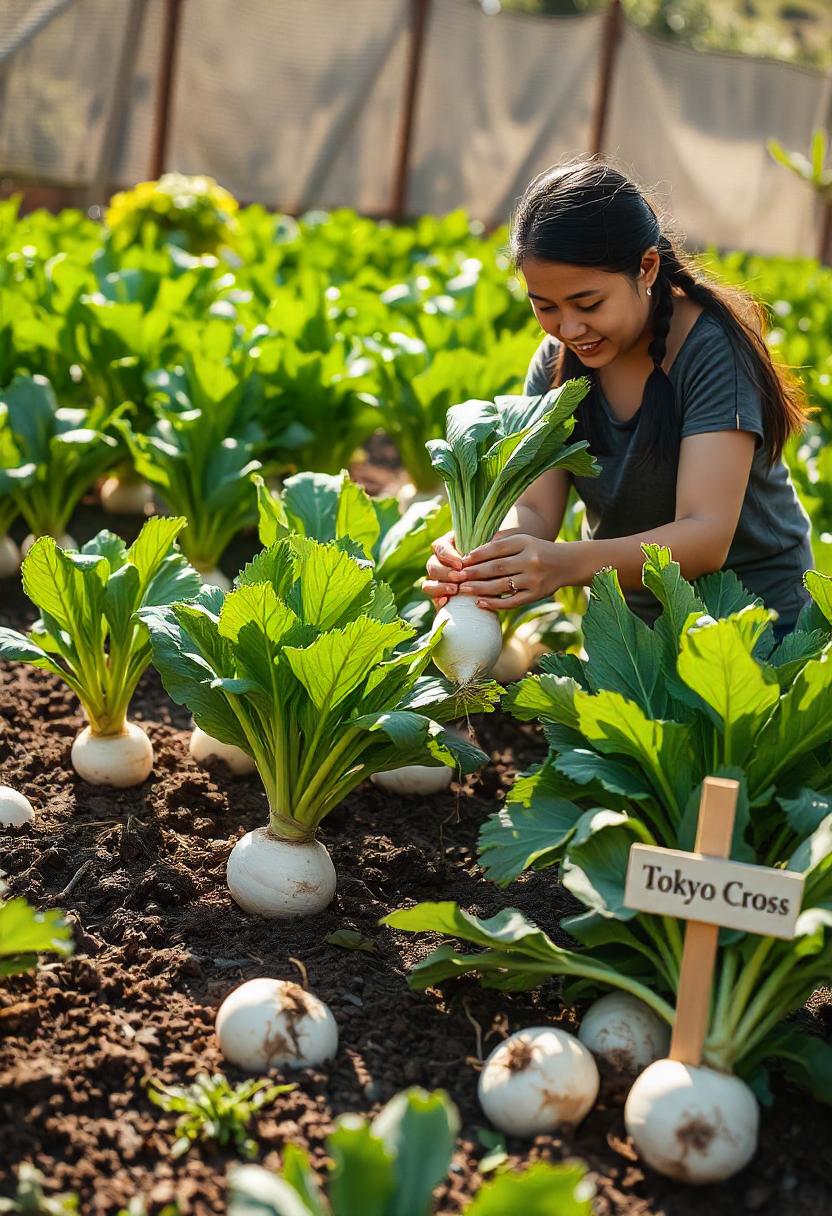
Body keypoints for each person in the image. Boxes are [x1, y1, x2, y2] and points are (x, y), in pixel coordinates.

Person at [424, 159, 813, 638]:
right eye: (545, 307)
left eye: (589, 304)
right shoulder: (556, 362)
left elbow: (706, 535)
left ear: (646, 267)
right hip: (631, 639)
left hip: (757, 626)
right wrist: (482, 552)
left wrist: (566, 563)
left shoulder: (712, 352)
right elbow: (538, 512)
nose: (569, 329)